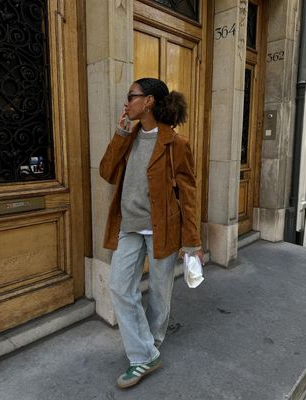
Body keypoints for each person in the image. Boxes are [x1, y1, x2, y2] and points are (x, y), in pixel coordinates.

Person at [99, 77, 204, 389]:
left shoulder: (176, 144)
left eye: (132, 96)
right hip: (129, 227)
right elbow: (106, 172)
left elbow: (188, 194)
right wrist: (119, 135)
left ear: (148, 102)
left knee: (159, 293)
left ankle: (149, 347)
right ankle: (145, 352)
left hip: (163, 228)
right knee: (120, 287)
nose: (126, 102)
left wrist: (193, 242)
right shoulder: (128, 139)